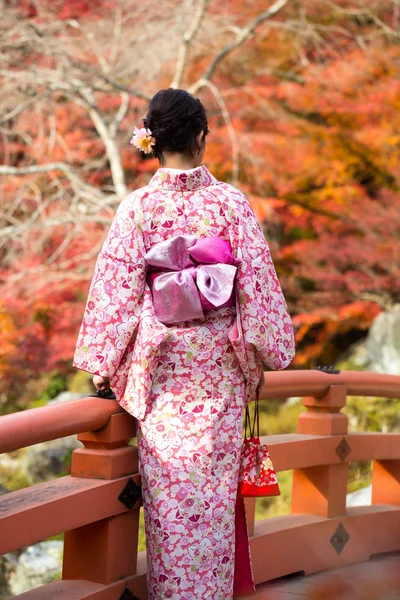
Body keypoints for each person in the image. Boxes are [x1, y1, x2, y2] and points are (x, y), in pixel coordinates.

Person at [73, 88, 295, 600]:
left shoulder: (137, 208)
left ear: (155, 141)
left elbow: (117, 290)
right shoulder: (230, 203)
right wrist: (269, 351)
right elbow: (257, 287)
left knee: (173, 504)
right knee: (212, 505)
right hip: (216, 377)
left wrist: (103, 363)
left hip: (164, 380)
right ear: (199, 136)